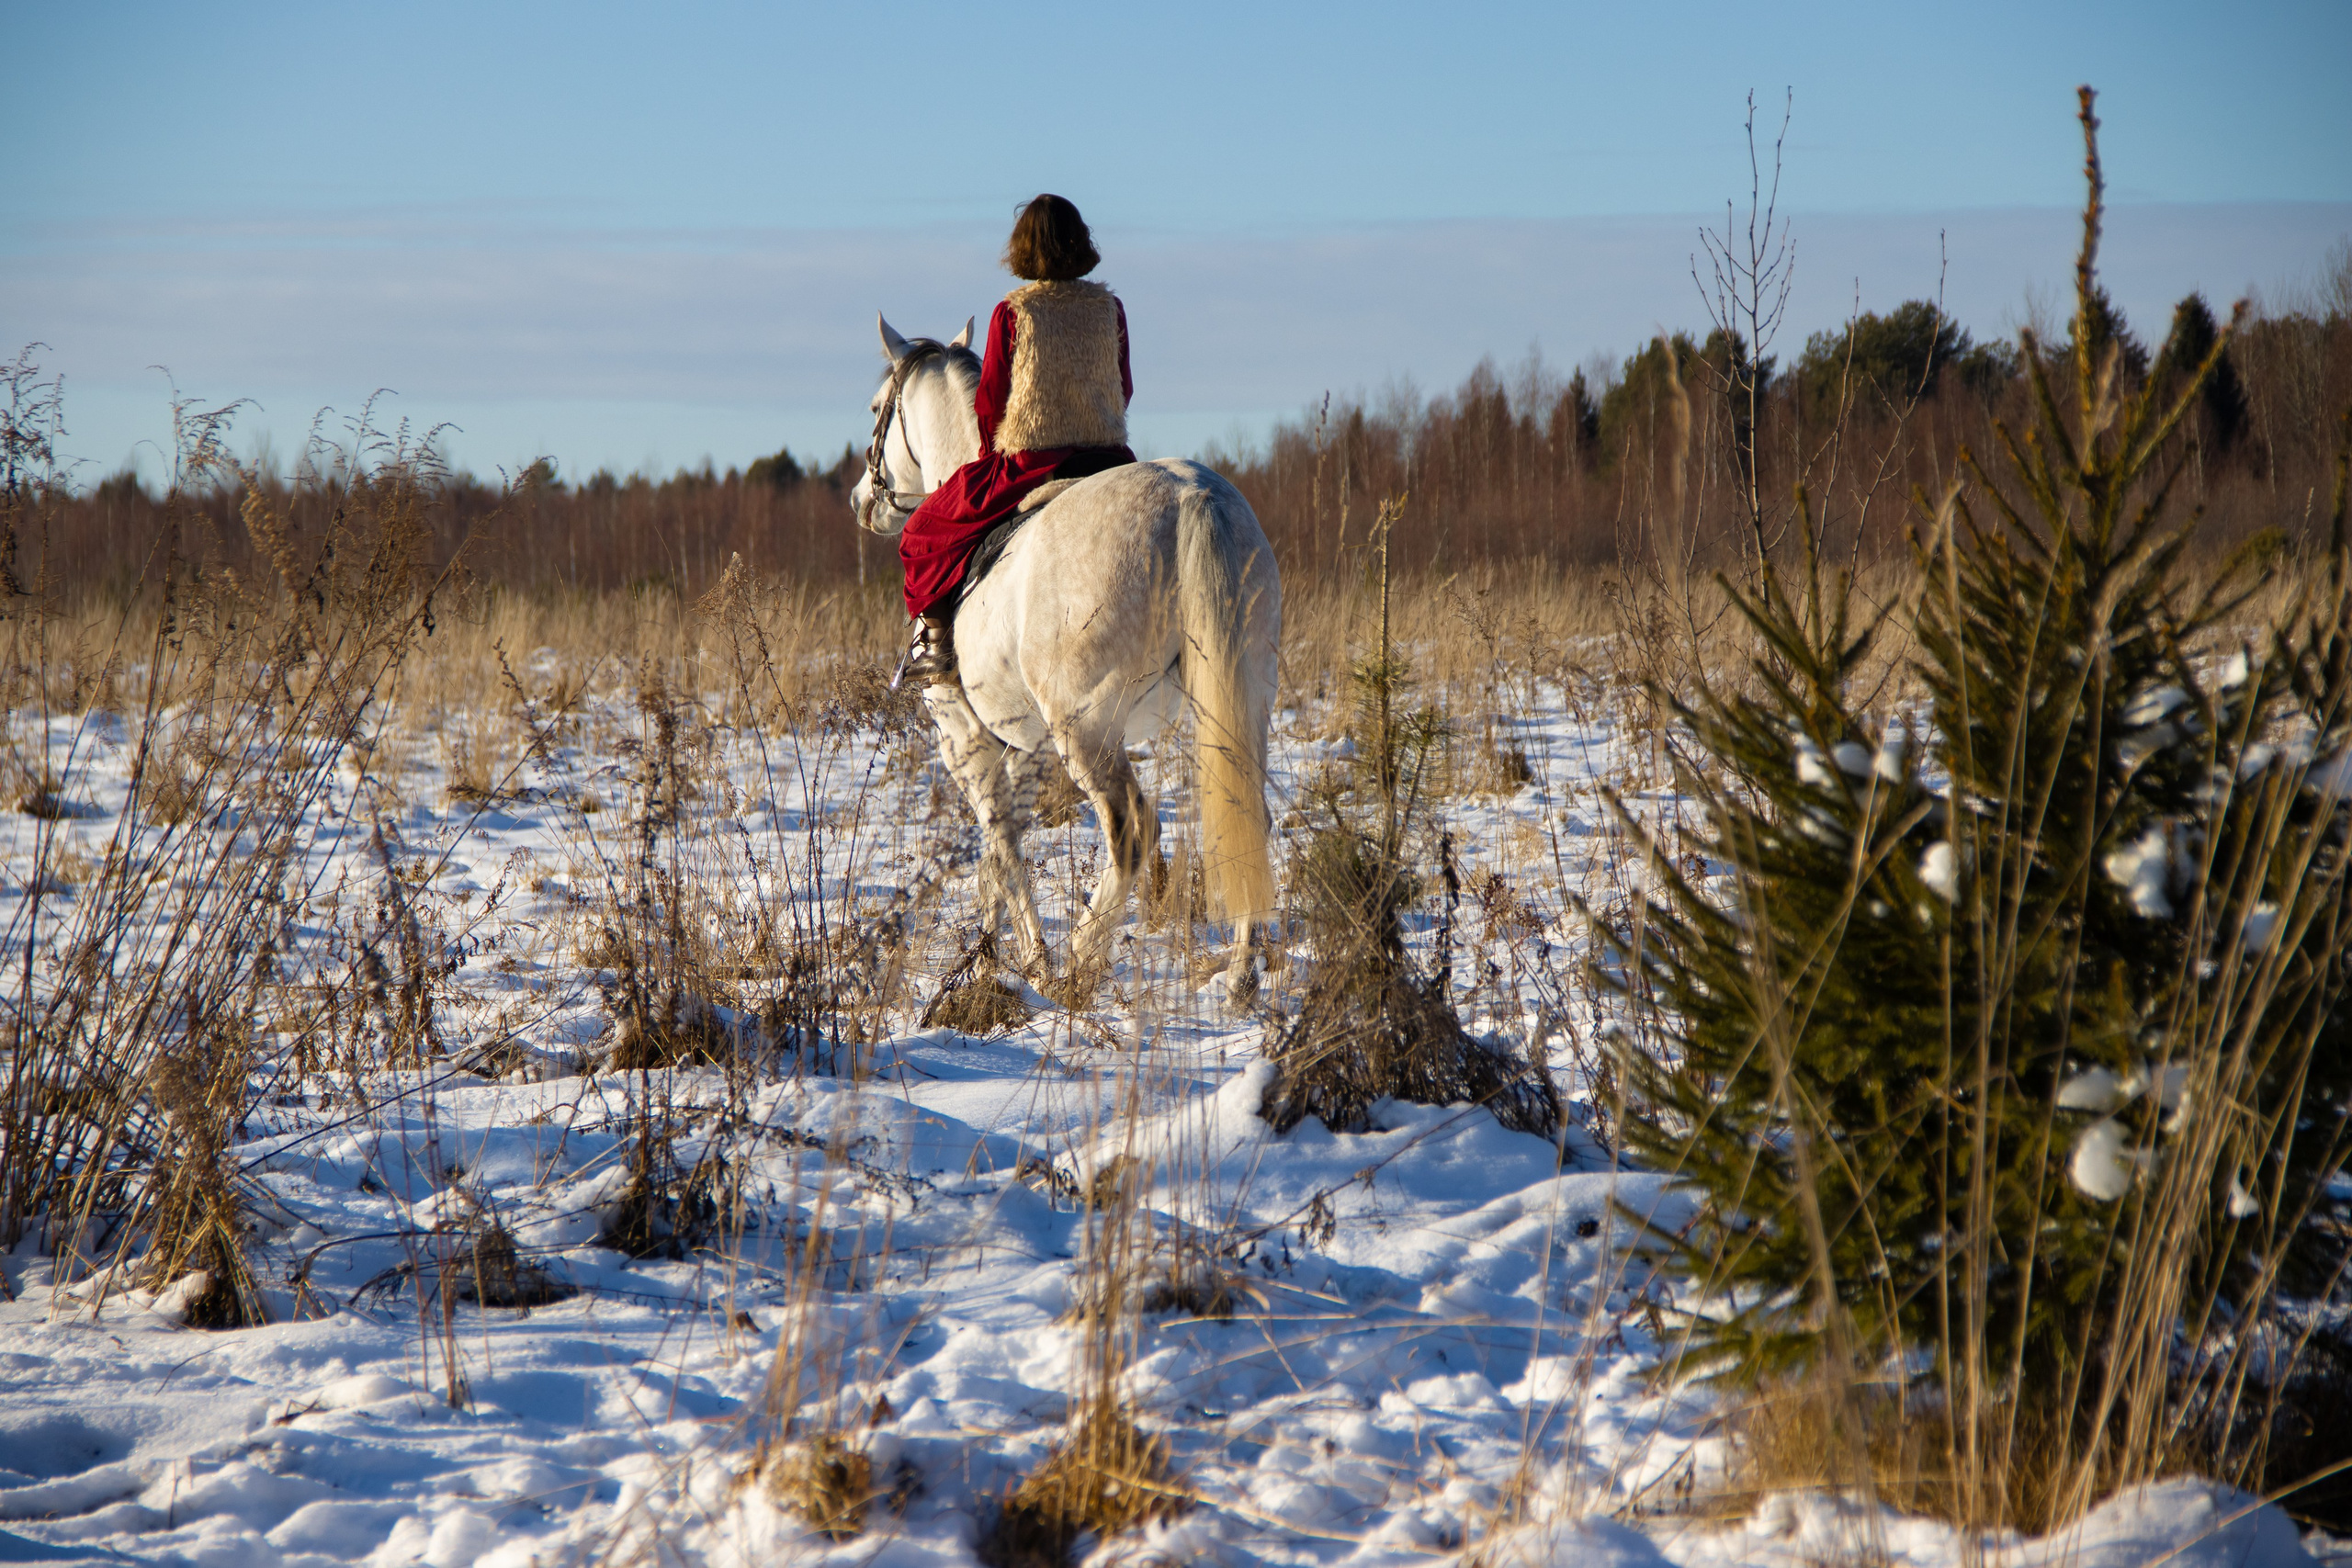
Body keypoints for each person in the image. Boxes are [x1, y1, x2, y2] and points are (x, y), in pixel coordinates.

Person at [898, 194, 1136, 684]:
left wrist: (990, 455)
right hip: (1109, 458)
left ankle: (937, 647)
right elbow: (1124, 387)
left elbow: (990, 403)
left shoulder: (1012, 313)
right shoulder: (1110, 309)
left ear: (1024, 248)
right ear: (1081, 242)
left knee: (921, 532)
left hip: (1032, 464)